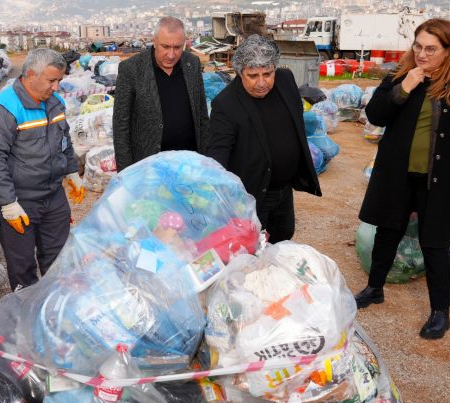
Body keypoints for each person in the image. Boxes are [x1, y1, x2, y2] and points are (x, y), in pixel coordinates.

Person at [355, 19, 450, 340]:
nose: (422, 54)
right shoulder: (399, 76)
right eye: (418, 46)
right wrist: (405, 87)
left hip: (438, 182)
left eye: (431, 49)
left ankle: (440, 312)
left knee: (435, 244)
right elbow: (375, 115)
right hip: (397, 175)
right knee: (387, 232)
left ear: (447, 50)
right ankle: (374, 288)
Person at [0, 48, 84, 292]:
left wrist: (70, 172)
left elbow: (64, 139)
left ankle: (54, 309)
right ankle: (25, 314)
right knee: (22, 265)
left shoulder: (54, 103)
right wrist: (7, 203)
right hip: (20, 201)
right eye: (51, 80)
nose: (56, 87)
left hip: (53, 196)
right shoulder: (2, 109)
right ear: (30, 75)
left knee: (58, 259)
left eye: (59, 80)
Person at [204, 35, 321, 244]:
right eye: (253, 75)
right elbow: (218, 154)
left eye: (267, 74)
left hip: (284, 190)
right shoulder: (226, 104)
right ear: (240, 73)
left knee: (284, 235)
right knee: (253, 246)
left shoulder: (286, 80)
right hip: (253, 194)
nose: (261, 82)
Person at [112, 16, 209, 171]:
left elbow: (202, 115)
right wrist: (126, 174)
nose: (171, 55)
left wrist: (206, 160)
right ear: (154, 41)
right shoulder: (131, 69)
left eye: (177, 47)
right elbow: (120, 125)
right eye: (165, 46)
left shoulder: (192, 64)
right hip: (149, 167)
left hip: (189, 164)